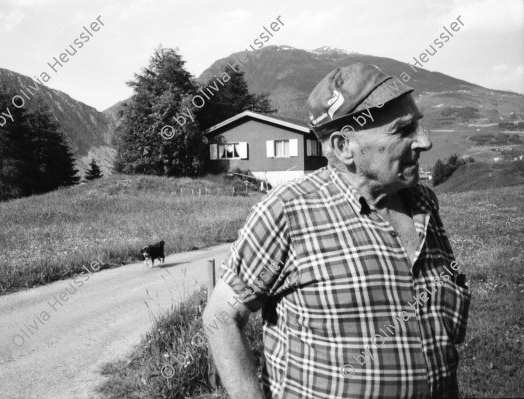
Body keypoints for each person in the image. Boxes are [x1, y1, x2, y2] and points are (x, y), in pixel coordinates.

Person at [202, 63, 471, 399]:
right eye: (403, 130)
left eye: (418, 123)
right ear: (345, 147)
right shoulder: (288, 211)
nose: (425, 141)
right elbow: (221, 318)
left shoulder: (425, 204)